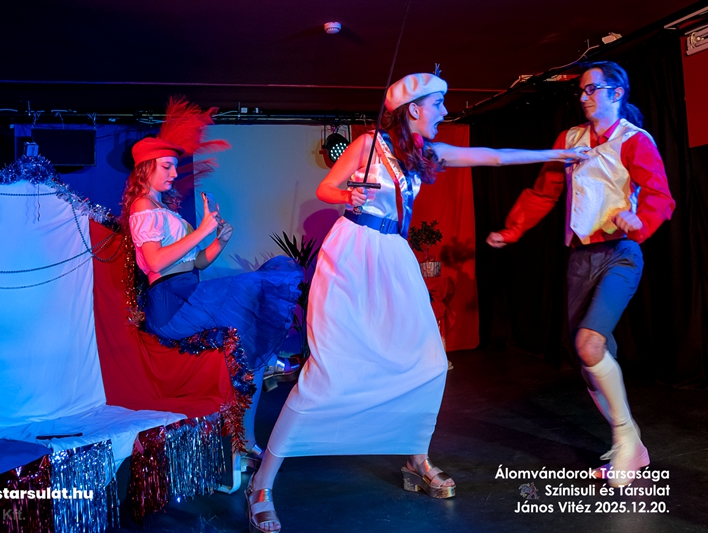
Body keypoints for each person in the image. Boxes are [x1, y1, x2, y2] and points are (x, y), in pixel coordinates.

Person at [246, 73, 590, 533]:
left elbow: (493, 156)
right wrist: (347, 193)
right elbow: (325, 189)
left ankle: (416, 458)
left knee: (428, 362)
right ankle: (262, 483)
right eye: (438, 103)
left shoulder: (427, 153)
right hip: (352, 253)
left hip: (394, 257)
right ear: (413, 109)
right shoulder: (367, 145)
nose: (445, 112)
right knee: (328, 372)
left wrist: (556, 154)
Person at [486, 61, 675, 487]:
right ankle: (631, 444)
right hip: (580, 259)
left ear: (616, 93)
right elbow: (543, 193)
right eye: (582, 91)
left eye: (593, 89)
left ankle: (626, 438)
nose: (584, 97)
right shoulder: (569, 140)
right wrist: (512, 231)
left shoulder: (634, 140)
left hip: (621, 254)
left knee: (589, 345)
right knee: (588, 358)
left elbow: (660, 197)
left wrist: (639, 221)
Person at [120, 100, 302, 466]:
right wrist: (202, 230)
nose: (174, 173)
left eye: (175, 166)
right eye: (167, 166)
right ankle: (271, 361)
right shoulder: (142, 207)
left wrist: (219, 240)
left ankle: (247, 433)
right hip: (171, 304)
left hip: (188, 292)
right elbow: (155, 262)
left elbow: (197, 262)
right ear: (146, 168)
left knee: (247, 354)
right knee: (250, 286)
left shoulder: (164, 210)